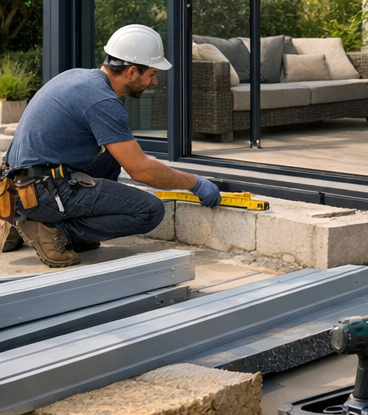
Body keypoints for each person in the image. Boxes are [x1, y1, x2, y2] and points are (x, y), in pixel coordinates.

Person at [0, 24, 221, 268]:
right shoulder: (102, 101)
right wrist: (195, 183)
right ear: (132, 72)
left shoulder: (78, 77)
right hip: (37, 190)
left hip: (17, 182)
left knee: (112, 157)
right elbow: (141, 171)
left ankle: (26, 217)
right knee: (149, 211)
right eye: (152, 74)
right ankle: (51, 228)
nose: (155, 82)